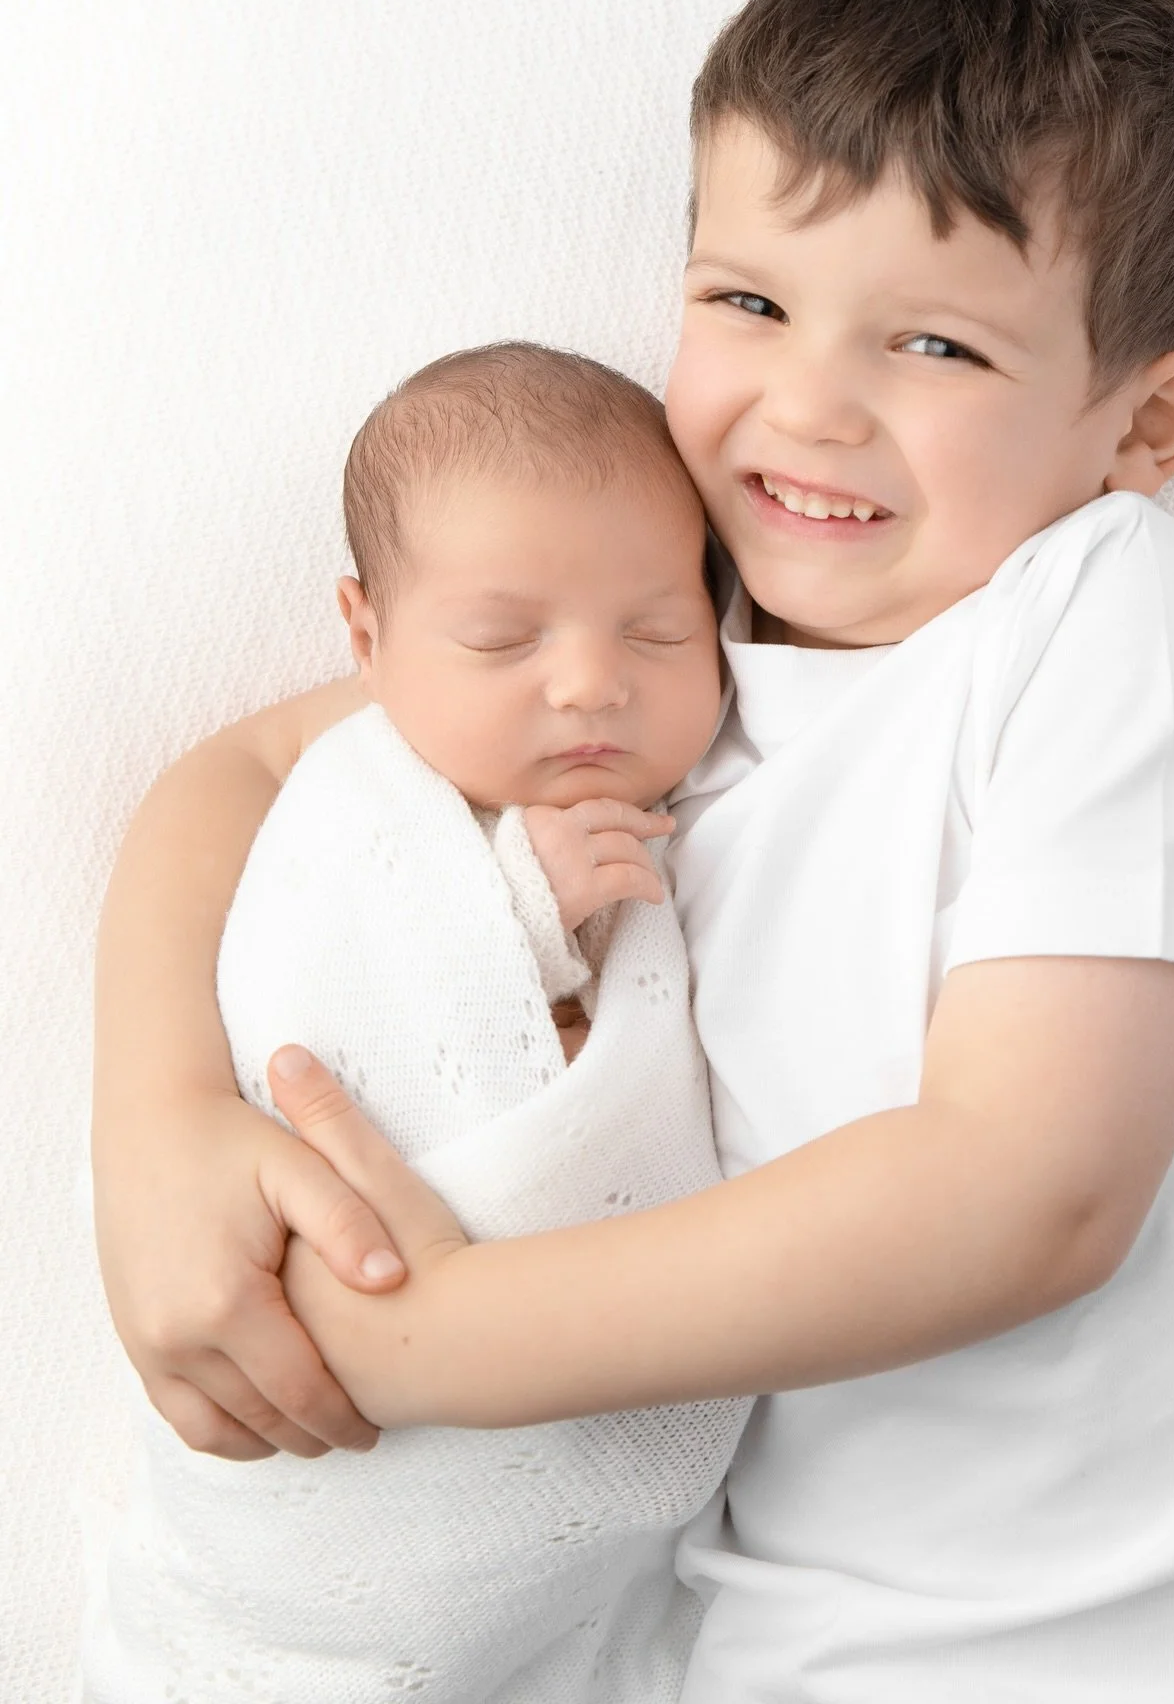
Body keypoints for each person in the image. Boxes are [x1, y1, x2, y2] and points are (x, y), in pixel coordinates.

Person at [92, 0, 1174, 1698]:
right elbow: (248, 770)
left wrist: (429, 1342)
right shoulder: (663, 660)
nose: (807, 408)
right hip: (775, 1646)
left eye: (937, 345)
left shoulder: (1105, 614)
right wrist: (160, 1130)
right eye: (749, 301)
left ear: (1150, 425)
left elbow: (1023, 1192)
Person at [83, 344, 749, 1702]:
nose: (588, 685)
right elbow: (320, 995)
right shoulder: (356, 802)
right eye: (506, 642)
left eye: (660, 631)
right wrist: (510, 915)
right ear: (367, 633)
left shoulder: (734, 766)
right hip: (307, 1448)